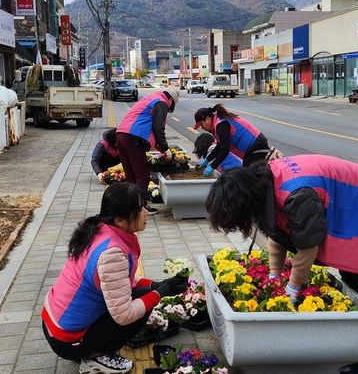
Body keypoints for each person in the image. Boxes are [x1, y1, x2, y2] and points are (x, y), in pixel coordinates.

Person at [205, 155, 358, 374]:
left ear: (244, 204)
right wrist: (274, 277)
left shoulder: (296, 196)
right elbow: (278, 235)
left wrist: (292, 289)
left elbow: (308, 246)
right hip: (348, 196)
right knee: (350, 275)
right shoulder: (263, 183)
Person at [41, 183, 188, 374]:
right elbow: (124, 315)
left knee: (143, 294)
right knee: (142, 304)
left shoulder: (100, 228)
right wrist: (160, 293)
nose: (146, 213)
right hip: (68, 340)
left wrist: (156, 285)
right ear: (120, 220)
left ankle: (93, 346)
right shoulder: (112, 253)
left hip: (55, 326)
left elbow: (121, 282)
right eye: (140, 209)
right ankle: (96, 356)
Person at [116, 89, 179, 215]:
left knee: (131, 176)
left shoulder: (151, 98)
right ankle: (140, 208)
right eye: (171, 107)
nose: (168, 109)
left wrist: (161, 149)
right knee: (143, 176)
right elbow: (158, 128)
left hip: (121, 134)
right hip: (133, 137)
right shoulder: (162, 103)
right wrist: (166, 148)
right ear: (171, 100)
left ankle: (131, 207)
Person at [193, 104, 270, 175]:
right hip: (253, 148)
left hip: (256, 146)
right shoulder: (217, 124)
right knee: (249, 176)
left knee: (250, 176)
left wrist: (212, 166)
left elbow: (225, 149)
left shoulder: (221, 125)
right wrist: (207, 160)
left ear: (207, 119)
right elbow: (219, 146)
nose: (202, 128)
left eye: (201, 125)